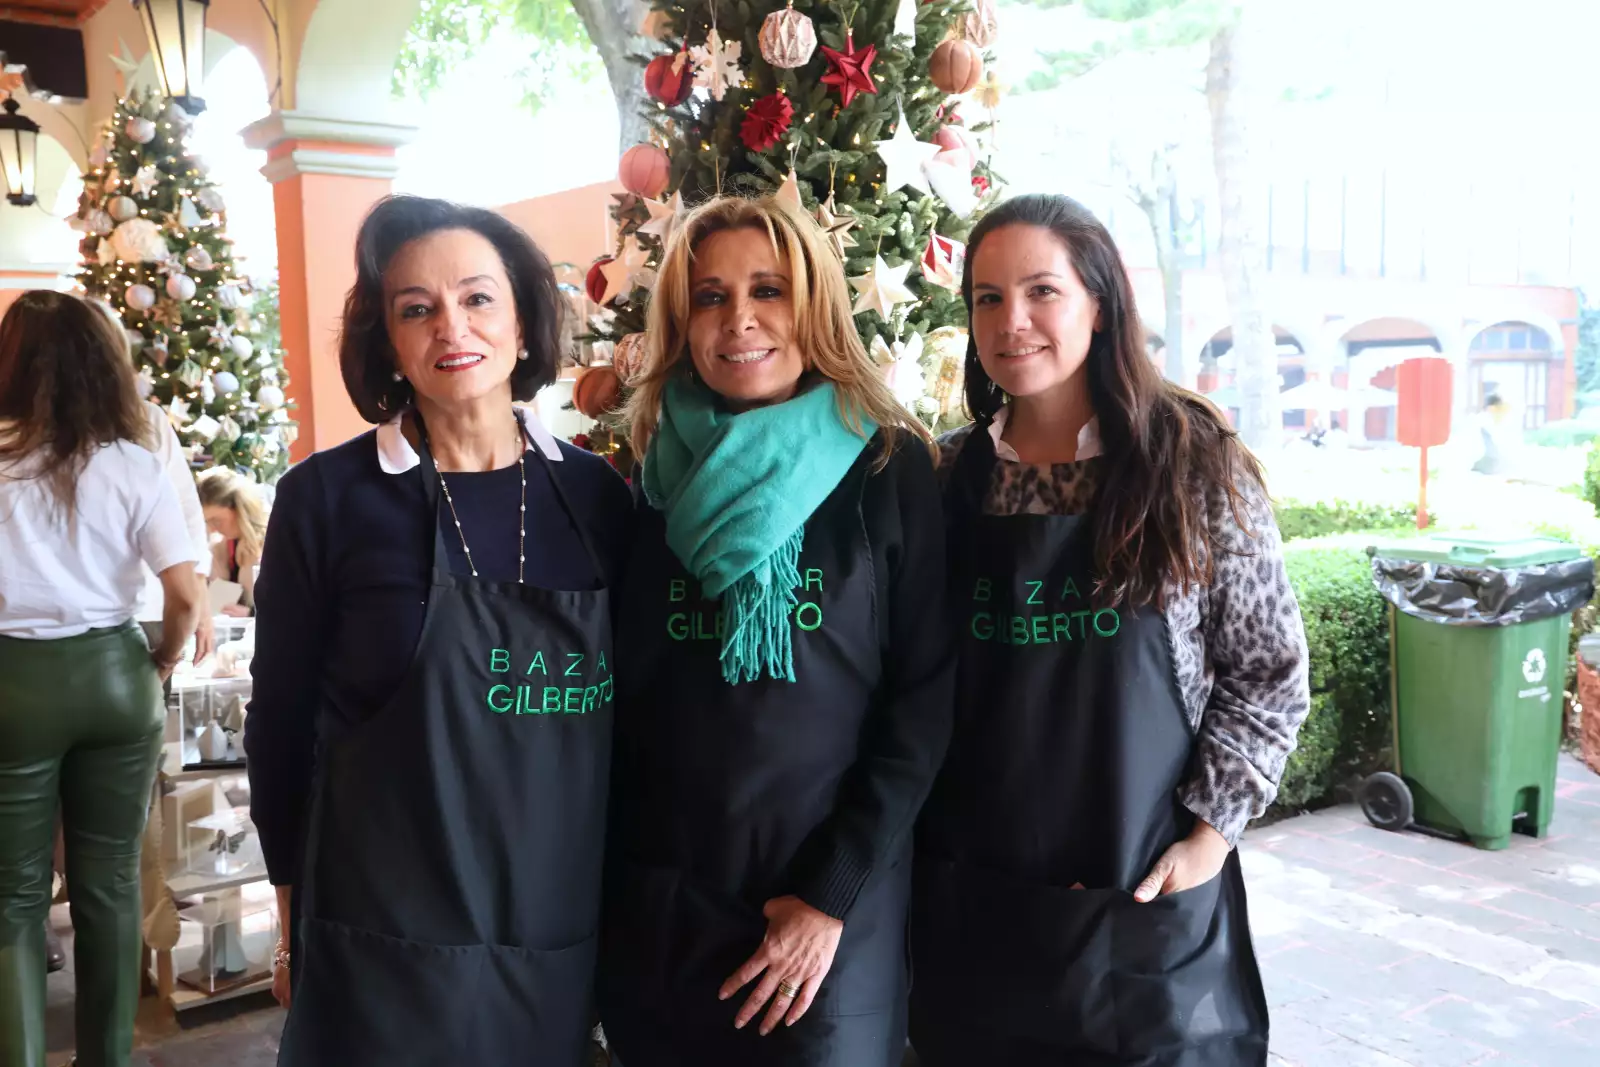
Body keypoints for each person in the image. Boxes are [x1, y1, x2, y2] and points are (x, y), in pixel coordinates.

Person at [909, 194, 1311, 1066]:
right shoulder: (944, 479)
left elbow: (1269, 671)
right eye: (986, 297)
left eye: (1042, 291)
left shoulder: (1192, 465)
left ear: (1101, 302)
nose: (1011, 321)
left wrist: (1209, 838)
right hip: (974, 907)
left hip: (1145, 911)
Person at [245, 196, 632, 1067]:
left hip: (553, 939)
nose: (450, 326)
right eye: (415, 308)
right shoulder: (328, 500)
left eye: (477, 298)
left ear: (527, 324)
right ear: (389, 341)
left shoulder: (602, 499)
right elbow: (278, 726)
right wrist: (288, 923)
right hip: (381, 943)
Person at [599, 195, 955, 1067]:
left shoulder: (885, 466)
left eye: (769, 289)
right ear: (682, 323)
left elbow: (923, 704)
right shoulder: (648, 474)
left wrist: (828, 896)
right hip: (663, 914)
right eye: (710, 297)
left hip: (825, 918)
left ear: (815, 305)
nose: (740, 319)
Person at [0, 290, 204, 1067]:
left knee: (14, 897)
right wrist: (159, 659)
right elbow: (185, 595)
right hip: (117, 676)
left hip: (13, 683)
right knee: (110, 884)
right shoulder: (133, 459)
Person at [196, 467, 267, 616]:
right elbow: (216, 609)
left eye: (217, 521)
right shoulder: (223, 548)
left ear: (239, 510)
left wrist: (251, 613)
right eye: (206, 522)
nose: (212, 529)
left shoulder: (274, 541)